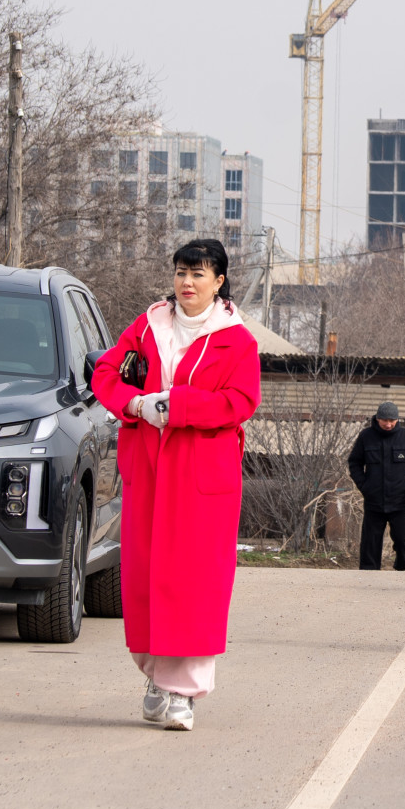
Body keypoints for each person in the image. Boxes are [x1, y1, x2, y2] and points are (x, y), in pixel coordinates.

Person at [93, 238, 261, 731]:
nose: (187, 283)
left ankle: (183, 691)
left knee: (195, 580)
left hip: (201, 473)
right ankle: (155, 676)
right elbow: (106, 373)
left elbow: (240, 402)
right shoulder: (148, 325)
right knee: (147, 576)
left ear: (219, 282)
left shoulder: (236, 339)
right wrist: (136, 404)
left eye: (198, 275)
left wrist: (179, 406)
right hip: (148, 467)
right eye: (181, 273)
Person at [348, 401, 405, 571]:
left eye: (392, 420)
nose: (389, 424)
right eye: (385, 420)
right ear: (378, 419)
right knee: (370, 541)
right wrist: (365, 486)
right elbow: (354, 463)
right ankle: (368, 573)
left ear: (397, 420)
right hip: (374, 500)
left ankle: (402, 566)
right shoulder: (366, 436)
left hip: (399, 500)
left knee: (401, 538)